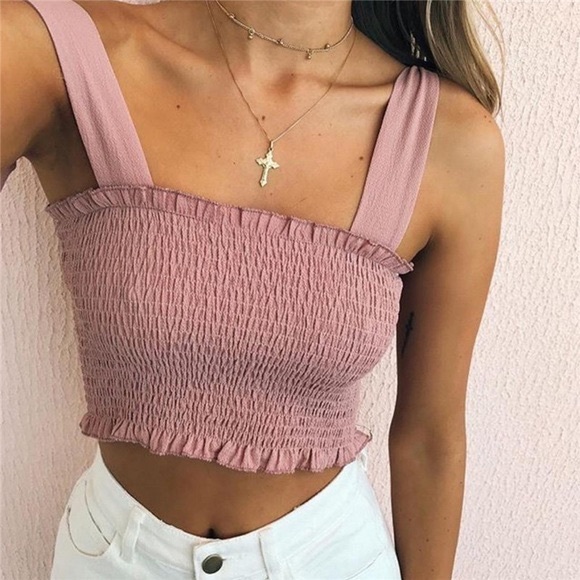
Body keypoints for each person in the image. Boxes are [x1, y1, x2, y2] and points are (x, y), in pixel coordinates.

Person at [0, 0, 505, 578]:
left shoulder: (450, 139)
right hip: (112, 558)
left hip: (331, 559)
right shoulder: (49, 52)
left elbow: (429, 436)